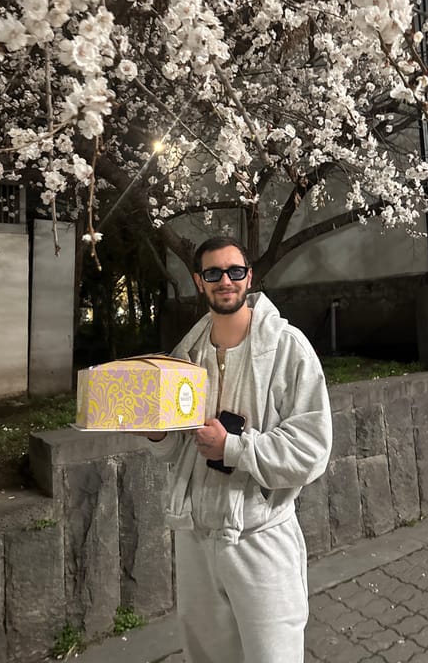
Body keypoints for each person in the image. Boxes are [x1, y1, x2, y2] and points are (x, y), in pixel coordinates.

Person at [144, 236, 332, 663]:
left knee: (273, 656)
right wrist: (157, 436)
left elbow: (312, 448)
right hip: (195, 536)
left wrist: (233, 449)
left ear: (249, 276)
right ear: (199, 281)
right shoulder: (184, 358)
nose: (224, 280)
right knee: (206, 656)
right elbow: (178, 450)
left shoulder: (288, 348)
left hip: (259, 538)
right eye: (213, 273)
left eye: (234, 271)